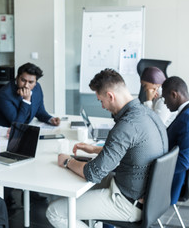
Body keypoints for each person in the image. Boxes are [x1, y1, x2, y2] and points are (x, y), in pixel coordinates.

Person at [46, 68, 168, 227]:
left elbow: (93, 173)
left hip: (127, 202)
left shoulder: (126, 125)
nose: (102, 106)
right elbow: (133, 150)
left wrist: (67, 161)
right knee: (82, 188)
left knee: (55, 211)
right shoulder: (149, 114)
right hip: (147, 196)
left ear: (110, 96)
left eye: (100, 101)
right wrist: (95, 150)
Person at [161, 76, 189, 205]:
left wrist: (156, 173)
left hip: (170, 185)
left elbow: (185, 161)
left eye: (165, 98)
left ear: (174, 94)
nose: (164, 103)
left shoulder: (188, 119)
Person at [0, 62, 60, 127]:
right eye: (23, 80)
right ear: (17, 77)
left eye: (31, 82)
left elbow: (40, 111)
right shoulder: (4, 94)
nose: (26, 85)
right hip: (3, 132)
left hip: (24, 130)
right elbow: (17, 124)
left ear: (35, 82)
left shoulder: (37, 88)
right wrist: (26, 100)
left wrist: (51, 119)